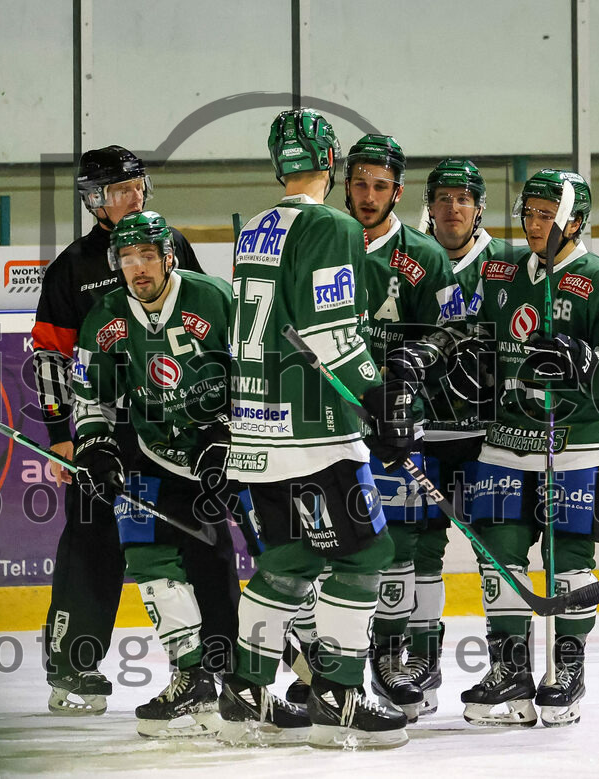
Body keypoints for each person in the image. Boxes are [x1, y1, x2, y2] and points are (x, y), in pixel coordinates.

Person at [220, 108, 413, 750]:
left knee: (288, 559)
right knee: (367, 553)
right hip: (311, 431)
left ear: (279, 165)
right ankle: (338, 692)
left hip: (256, 428)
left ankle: (247, 688)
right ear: (329, 164)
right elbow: (329, 329)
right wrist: (377, 393)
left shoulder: (257, 227)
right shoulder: (330, 224)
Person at [31, 145, 211, 714]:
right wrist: (64, 432)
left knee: (180, 537)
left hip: (170, 425)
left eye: (138, 186)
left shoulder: (171, 244)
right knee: (92, 540)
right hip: (100, 430)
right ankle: (73, 666)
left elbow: (204, 327)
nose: (134, 197)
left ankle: (206, 665)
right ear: (94, 200)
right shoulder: (70, 269)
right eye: (119, 190)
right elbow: (50, 359)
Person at [456, 169, 599, 727]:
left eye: (545, 216)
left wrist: (585, 359)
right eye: (528, 214)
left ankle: (567, 672)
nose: (533, 225)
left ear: (575, 222)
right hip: (507, 442)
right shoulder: (505, 272)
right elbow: (476, 335)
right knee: (499, 557)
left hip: (579, 444)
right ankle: (510, 671)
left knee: (568, 562)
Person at [70, 211, 240, 738]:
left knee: (222, 568)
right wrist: (96, 444)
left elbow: (259, 374)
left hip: (224, 455)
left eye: (147, 255)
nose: (137, 267)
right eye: (127, 258)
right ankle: (191, 678)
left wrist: (228, 433)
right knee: (146, 556)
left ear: (169, 257)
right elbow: (89, 393)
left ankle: (251, 677)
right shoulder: (106, 316)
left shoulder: (214, 299)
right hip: (154, 454)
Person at [392, 158, 527, 715]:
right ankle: (420, 667)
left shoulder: (509, 263)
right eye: (443, 198)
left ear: (479, 207)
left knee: (499, 543)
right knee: (418, 547)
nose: (452, 209)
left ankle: (510, 668)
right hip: (421, 433)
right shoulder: (411, 260)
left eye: (463, 199)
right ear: (428, 205)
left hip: (489, 436)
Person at [339, 136, 466, 721]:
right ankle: (329, 666)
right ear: (345, 182)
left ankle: (396, 660)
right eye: (360, 183)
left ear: (398, 191)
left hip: (393, 420)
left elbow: (456, 328)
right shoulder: (321, 240)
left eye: (380, 186)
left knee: (400, 545)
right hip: (329, 420)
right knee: (331, 545)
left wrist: (422, 357)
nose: (369, 196)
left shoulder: (425, 256)